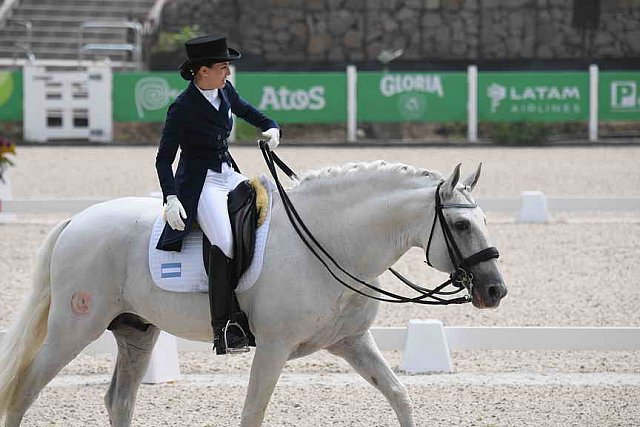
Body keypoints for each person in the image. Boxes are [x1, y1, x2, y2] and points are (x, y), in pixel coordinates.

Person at [155, 35, 280, 355]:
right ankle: (225, 326)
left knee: (270, 208)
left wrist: (271, 126)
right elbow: (163, 158)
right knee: (223, 241)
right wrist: (170, 197)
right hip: (202, 183)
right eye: (223, 67)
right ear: (202, 71)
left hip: (228, 173)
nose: (228, 73)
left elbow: (248, 111)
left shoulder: (225, 91)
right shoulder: (182, 108)